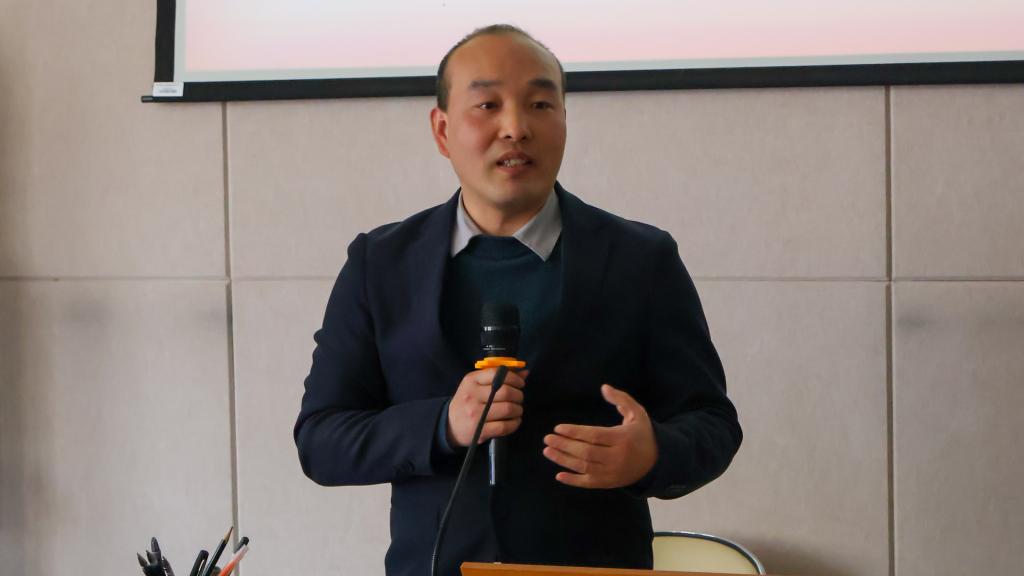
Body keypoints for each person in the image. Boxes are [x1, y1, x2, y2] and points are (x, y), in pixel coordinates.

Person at [295, 24, 742, 576]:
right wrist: (442, 424)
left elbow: (713, 423)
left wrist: (653, 454)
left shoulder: (640, 259)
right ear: (442, 130)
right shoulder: (380, 264)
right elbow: (321, 439)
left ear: (564, 121)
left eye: (539, 105)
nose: (516, 128)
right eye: (488, 105)